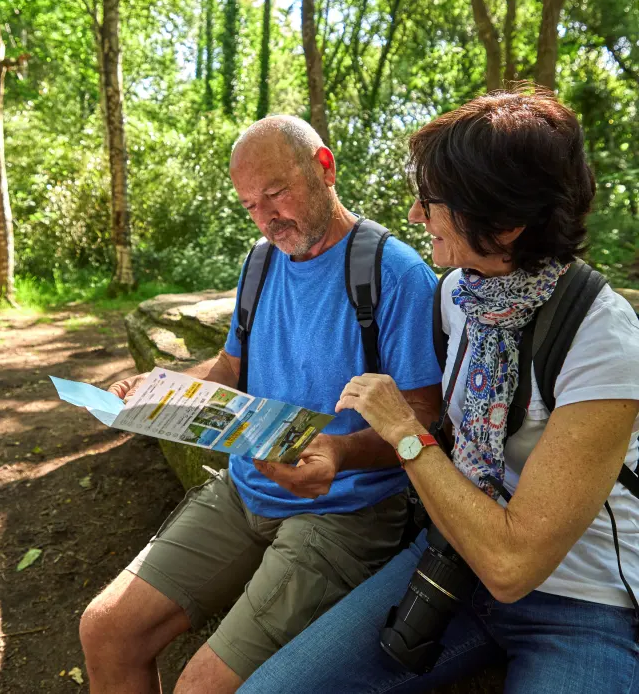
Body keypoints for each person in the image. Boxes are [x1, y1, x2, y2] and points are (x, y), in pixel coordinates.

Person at [237, 90, 639, 694]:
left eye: (434, 202)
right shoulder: (457, 296)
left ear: (505, 221)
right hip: (450, 560)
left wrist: (402, 429)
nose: (417, 215)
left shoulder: (602, 339)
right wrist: (342, 452)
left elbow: (511, 566)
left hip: (581, 602)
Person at [79, 115, 443, 694]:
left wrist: (342, 453)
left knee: (201, 687)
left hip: (345, 512)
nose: (267, 217)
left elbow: (428, 415)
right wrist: (159, 388)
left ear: (324, 168)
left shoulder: (393, 273)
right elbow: (230, 368)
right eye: (251, 204)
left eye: (276, 193)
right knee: (106, 630)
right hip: (246, 483)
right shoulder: (261, 262)